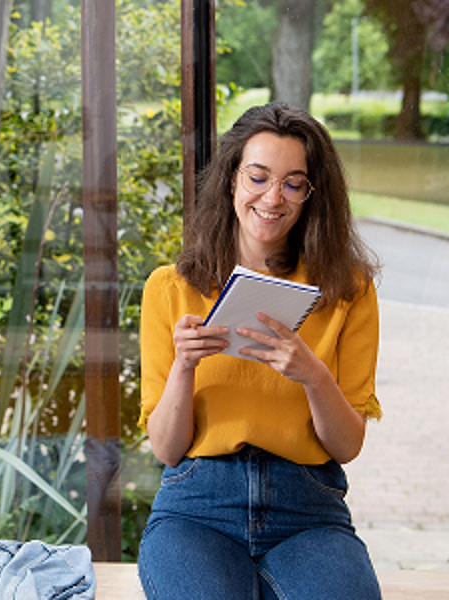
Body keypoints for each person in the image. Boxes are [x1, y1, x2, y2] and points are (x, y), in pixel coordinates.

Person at [136, 103, 382, 599]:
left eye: (294, 183)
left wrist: (313, 375)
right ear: (231, 180)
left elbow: (347, 446)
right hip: (197, 509)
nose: (274, 197)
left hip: (307, 510)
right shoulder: (170, 289)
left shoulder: (347, 290)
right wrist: (185, 366)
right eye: (258, 177)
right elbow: (166, 449)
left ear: (312, 196)